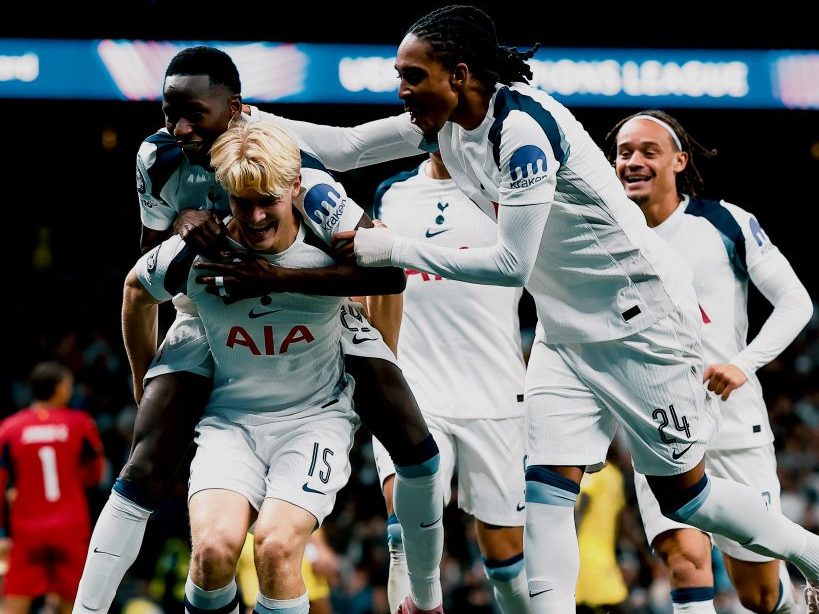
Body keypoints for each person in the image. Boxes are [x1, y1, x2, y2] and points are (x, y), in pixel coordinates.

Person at [321, 5, 819, 611]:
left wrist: (389, 246)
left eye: (411, 75)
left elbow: (512, 265)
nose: (401, 89)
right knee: (548, 491)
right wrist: (243, 122)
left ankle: (810, 554)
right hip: (562, 331)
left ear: (458, 74)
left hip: (639, 324)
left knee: (687, 500)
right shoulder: (447, 123)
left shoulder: (524, 132)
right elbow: (344, 149)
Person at [74, 46, 445, 614]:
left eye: (194, 113)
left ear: (236, 110)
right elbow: (147, 273)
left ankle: (423, 591)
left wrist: (373, 349)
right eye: (169, 110)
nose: (178, 127)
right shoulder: (158, 156)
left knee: (414, 445)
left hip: (319, 324)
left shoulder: (299, 171)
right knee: (150, 470)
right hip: (209, 314)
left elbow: (385, 265)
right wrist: (181, 227)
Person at [125, 120, 376, 614]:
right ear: (227, 195)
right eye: (244, 203)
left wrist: (380, 351)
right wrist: (144, 379)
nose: (257, 215)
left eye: (269, 200)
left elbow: (386, 275)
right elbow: (136, 289)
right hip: (230, 422)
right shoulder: (198, 253)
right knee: (214, 551)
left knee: (277, 546)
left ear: (295, 188)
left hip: (314, 420)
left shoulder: (329, 244)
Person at [606, 110, 813, 613]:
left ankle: (795, 595)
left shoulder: (725, 222)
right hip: (659, 429)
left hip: (735, 427)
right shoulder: (601, 234)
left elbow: (795, 301)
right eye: (624, 152)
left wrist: (744, 363)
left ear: (679, 161)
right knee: (684, 558)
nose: (632, 161)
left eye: (647, 151)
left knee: (761, 596)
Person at [365, 151, 530, 613]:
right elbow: (372, 286)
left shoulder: (510, 194)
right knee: (407, 517)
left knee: (507, 560)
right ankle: (424, 604)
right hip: (416, 391)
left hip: (497, 396)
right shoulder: (391, 195)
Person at [0, 361, 105, 613]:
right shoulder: (80, 424)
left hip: (27, 529)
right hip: (70, 526)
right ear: (59, 389)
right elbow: (96, 474)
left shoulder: (9, 428)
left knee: (14, 601)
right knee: (74, 604)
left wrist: (3, 531)